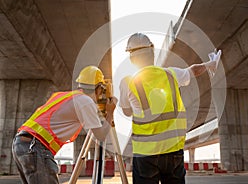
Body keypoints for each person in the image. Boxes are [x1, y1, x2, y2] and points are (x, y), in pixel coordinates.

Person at [119, 33, 221, 184]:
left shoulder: (128, 82)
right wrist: (209, 65)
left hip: (146, 154)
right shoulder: (170, 74)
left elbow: (127, 111)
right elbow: (193, 70)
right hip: (173, 151)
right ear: (152, 52)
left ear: (132, 58)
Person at [12, 65, 117, 184]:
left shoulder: (66, 96)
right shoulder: (85, 101)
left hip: (22, 144)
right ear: (99, 88)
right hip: (35, 147)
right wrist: (110, 113)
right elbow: (100, 136)